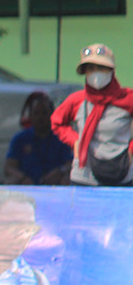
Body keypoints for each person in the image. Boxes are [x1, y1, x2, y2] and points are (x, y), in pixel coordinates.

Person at [51, 43, 133, 187]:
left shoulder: (127, 98)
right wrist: (74, 141)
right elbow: (57, 123)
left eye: (101, 68)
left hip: (122, 174)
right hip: (84, 176)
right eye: (90, 69)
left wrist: (131, 149)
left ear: (111, 70)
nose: (96, 73)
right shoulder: (77, 100)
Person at [4, 92, 72, 186]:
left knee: (67, 179)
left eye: (44, 113)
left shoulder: (61, 138)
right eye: (36, 113)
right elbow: (9, 167)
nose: (40, 117)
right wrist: (23, 177)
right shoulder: (20, 139)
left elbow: (71, 164)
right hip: (28, 184)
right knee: (11, 181)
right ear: (30, 116)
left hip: (54, 184)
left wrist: (60, 171)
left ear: (52, 115)